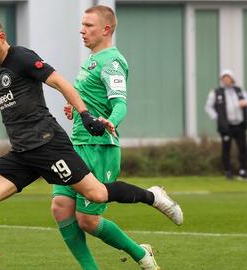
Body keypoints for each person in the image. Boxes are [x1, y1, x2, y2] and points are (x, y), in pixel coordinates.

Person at [0, 15, 182, 270]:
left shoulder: (23, 58)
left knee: (97, 194)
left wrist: (85, 114)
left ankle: (152, 196)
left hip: (48, 145)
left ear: (1, 38)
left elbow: (60, 82)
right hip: (22, 152)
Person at [51, 6, 160, 270]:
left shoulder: (111, 61)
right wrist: (75, 110)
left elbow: (120, 103)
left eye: (88, 25)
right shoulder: (91, 60)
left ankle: (140, 254)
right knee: (60, 206)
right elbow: (89, 100)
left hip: (100, 147)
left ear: (106, 30)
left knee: (87, 220)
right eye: (82, 24)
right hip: (76, 145)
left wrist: (112, 120)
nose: (82, 30)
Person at [205, 69, 247, 180]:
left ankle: (243, 170)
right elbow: (208, 107)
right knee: (226, 149)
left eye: (228, 78)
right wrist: (218, 118)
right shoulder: (216, 92)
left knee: (243, 148)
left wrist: (244, 103)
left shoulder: (239, 91)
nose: (226, 80)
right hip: (226, 127)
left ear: (232, 79)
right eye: (224, 79)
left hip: (239, 125)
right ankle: (228, 171)